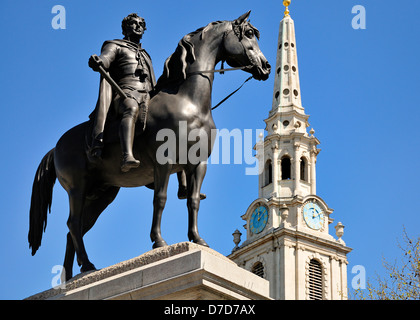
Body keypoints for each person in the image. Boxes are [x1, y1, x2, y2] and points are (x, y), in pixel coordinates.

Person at [89, 13, 155, 172]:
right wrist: (99, 61)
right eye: (134, 23)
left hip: (148, 96)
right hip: (125, 93)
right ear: (125, 28)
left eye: (141, 25)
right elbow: (105, 59)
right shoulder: (115, 45)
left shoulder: (146, 55)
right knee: (131, 108)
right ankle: (127, 156)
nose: (138, 27)